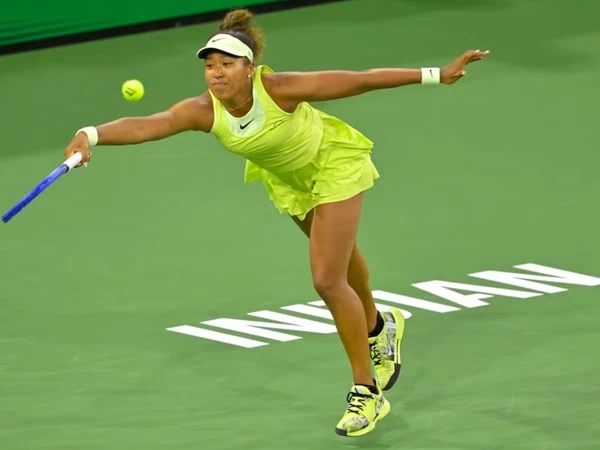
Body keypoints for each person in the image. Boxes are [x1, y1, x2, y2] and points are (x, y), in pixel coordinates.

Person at [64, 8, 489, 437]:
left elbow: (359, 79)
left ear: (250, 68)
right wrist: (90, 134)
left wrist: (437, 74)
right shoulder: (203, 110)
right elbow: (149, 124)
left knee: (327, 279)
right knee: (341, 261)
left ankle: (367, 392)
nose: (216, 73)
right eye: (210, 65)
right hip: (290, 180)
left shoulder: (280, 90)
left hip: (333, 164)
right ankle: (379, 327)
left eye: (227, 64)